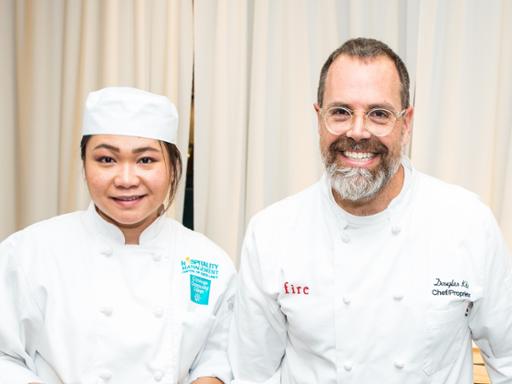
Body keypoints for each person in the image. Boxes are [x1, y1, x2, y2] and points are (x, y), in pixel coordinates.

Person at [229, 38, 512, 383]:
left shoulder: (467, 222)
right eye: (340, 112)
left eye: (379, 114)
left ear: (406, 124)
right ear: (319, 118)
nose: (358, 131)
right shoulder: (271, 233)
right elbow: (252, 373)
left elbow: (507, 357)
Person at [0, 87, 235, 384]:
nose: (126, 180)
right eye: (107, 160)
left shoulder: (210, 261)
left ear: (174, 167)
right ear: (84, 165)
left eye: (146, 160)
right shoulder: (29, 251)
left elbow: (218, 360)